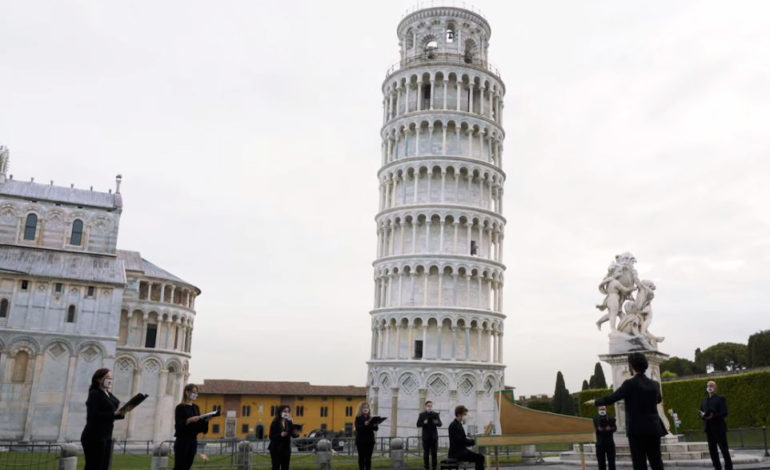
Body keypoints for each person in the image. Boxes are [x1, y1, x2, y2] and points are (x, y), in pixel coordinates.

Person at [585, 353, 664, 470]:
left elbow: (612, 398)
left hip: (637, 429)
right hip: (654, 427)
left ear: (631, 366)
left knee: (639, 462)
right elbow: (658, 400)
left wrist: (596, 401)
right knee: (656, 461)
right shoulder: (655, 384)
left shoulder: (629, 384)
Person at [80, 368, 125, 470]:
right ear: (99, 379)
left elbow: (113, 409)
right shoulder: (95, 394)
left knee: (104, 466)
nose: (110, 380)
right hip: (94, 436)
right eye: (107, 378)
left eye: (111, 378)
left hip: (106, 435)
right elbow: (94, 415)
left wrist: (122, 412)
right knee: (94, 466)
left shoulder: (108, 394)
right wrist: (113, 414)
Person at [173, 384, 209, 470]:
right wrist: (188, 420)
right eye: (194, 392)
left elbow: (200, 428)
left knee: (187, 466)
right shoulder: (180, 407)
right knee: (179, 467)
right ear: (187, 392)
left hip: (193, 441)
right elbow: (178, 426)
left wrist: (206, 420)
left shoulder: (196, 407)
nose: (196, 394)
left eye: (197, 392)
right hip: (182, 442)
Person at [700, 380, 732, 470]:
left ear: (715, 387)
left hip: (719, 428)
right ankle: (717, 467)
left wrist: (713, 416)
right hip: (709, 429)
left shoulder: (720, 398)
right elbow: (701, 411)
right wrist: (703, 416)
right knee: (712, 451)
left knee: (724, 450)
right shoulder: (704, 400)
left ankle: (729, 467)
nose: (709, 387)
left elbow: (724, 413)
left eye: (711, 385)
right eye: (708, 385)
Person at [448, 405, 484, 470]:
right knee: (480, 457)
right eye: (464, 414)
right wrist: (474, 441)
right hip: (457, 453)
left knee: (480, 456)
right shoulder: (453, 425)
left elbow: (463, 439)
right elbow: (461, 441)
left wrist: (473, 441)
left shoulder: (458, 424)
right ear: (459, 414)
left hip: (461, 451)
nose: (466, 416)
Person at [269, 405, 299, 470]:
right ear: (280, 412)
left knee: (285, 467)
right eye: (284, 411)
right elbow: (271, 436)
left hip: (286, 449)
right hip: (276, 449)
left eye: (288, 411)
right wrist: (280, 435)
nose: (286, 413)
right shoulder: (275, 422)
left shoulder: (289, 422)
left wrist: (296, 432)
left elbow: (293, 435)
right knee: (276, 467)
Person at [417, 400, 442, 470]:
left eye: (431, 406)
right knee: (426, 454)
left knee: (434, 454)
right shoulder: (422, 415)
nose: (429, 407)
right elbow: (418, 424)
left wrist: (437, 422)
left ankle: (434, 467)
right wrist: (424, 423)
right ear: (425, 406)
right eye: (428, 406)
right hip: (426, 437)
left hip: (434, 437)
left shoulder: (435, 414)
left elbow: (440, 424)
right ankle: (426, 467)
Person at [354, 402, 378, 470]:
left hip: (370, 441)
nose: (366, 409)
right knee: (361, 458)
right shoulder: (358, 418)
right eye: (364, 407)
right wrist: (365, 424)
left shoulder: (371, 418)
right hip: (361, 441)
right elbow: (358, 429)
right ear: (361, 409)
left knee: (368, 459)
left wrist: (376, 424)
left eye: (367, 407)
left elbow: (375, 429)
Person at [593, 406, 617, 470]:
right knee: (601, 463)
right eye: (601, 409)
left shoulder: (611, 417)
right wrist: (598, 429)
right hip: (600, 444)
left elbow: (615, 428)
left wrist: (610, 428)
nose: (602, 410)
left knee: (612, 462)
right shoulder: (595, 418)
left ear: (606, 409)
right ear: (598, 410)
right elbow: (593, 429)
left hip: (610, 443)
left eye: (603, 409)